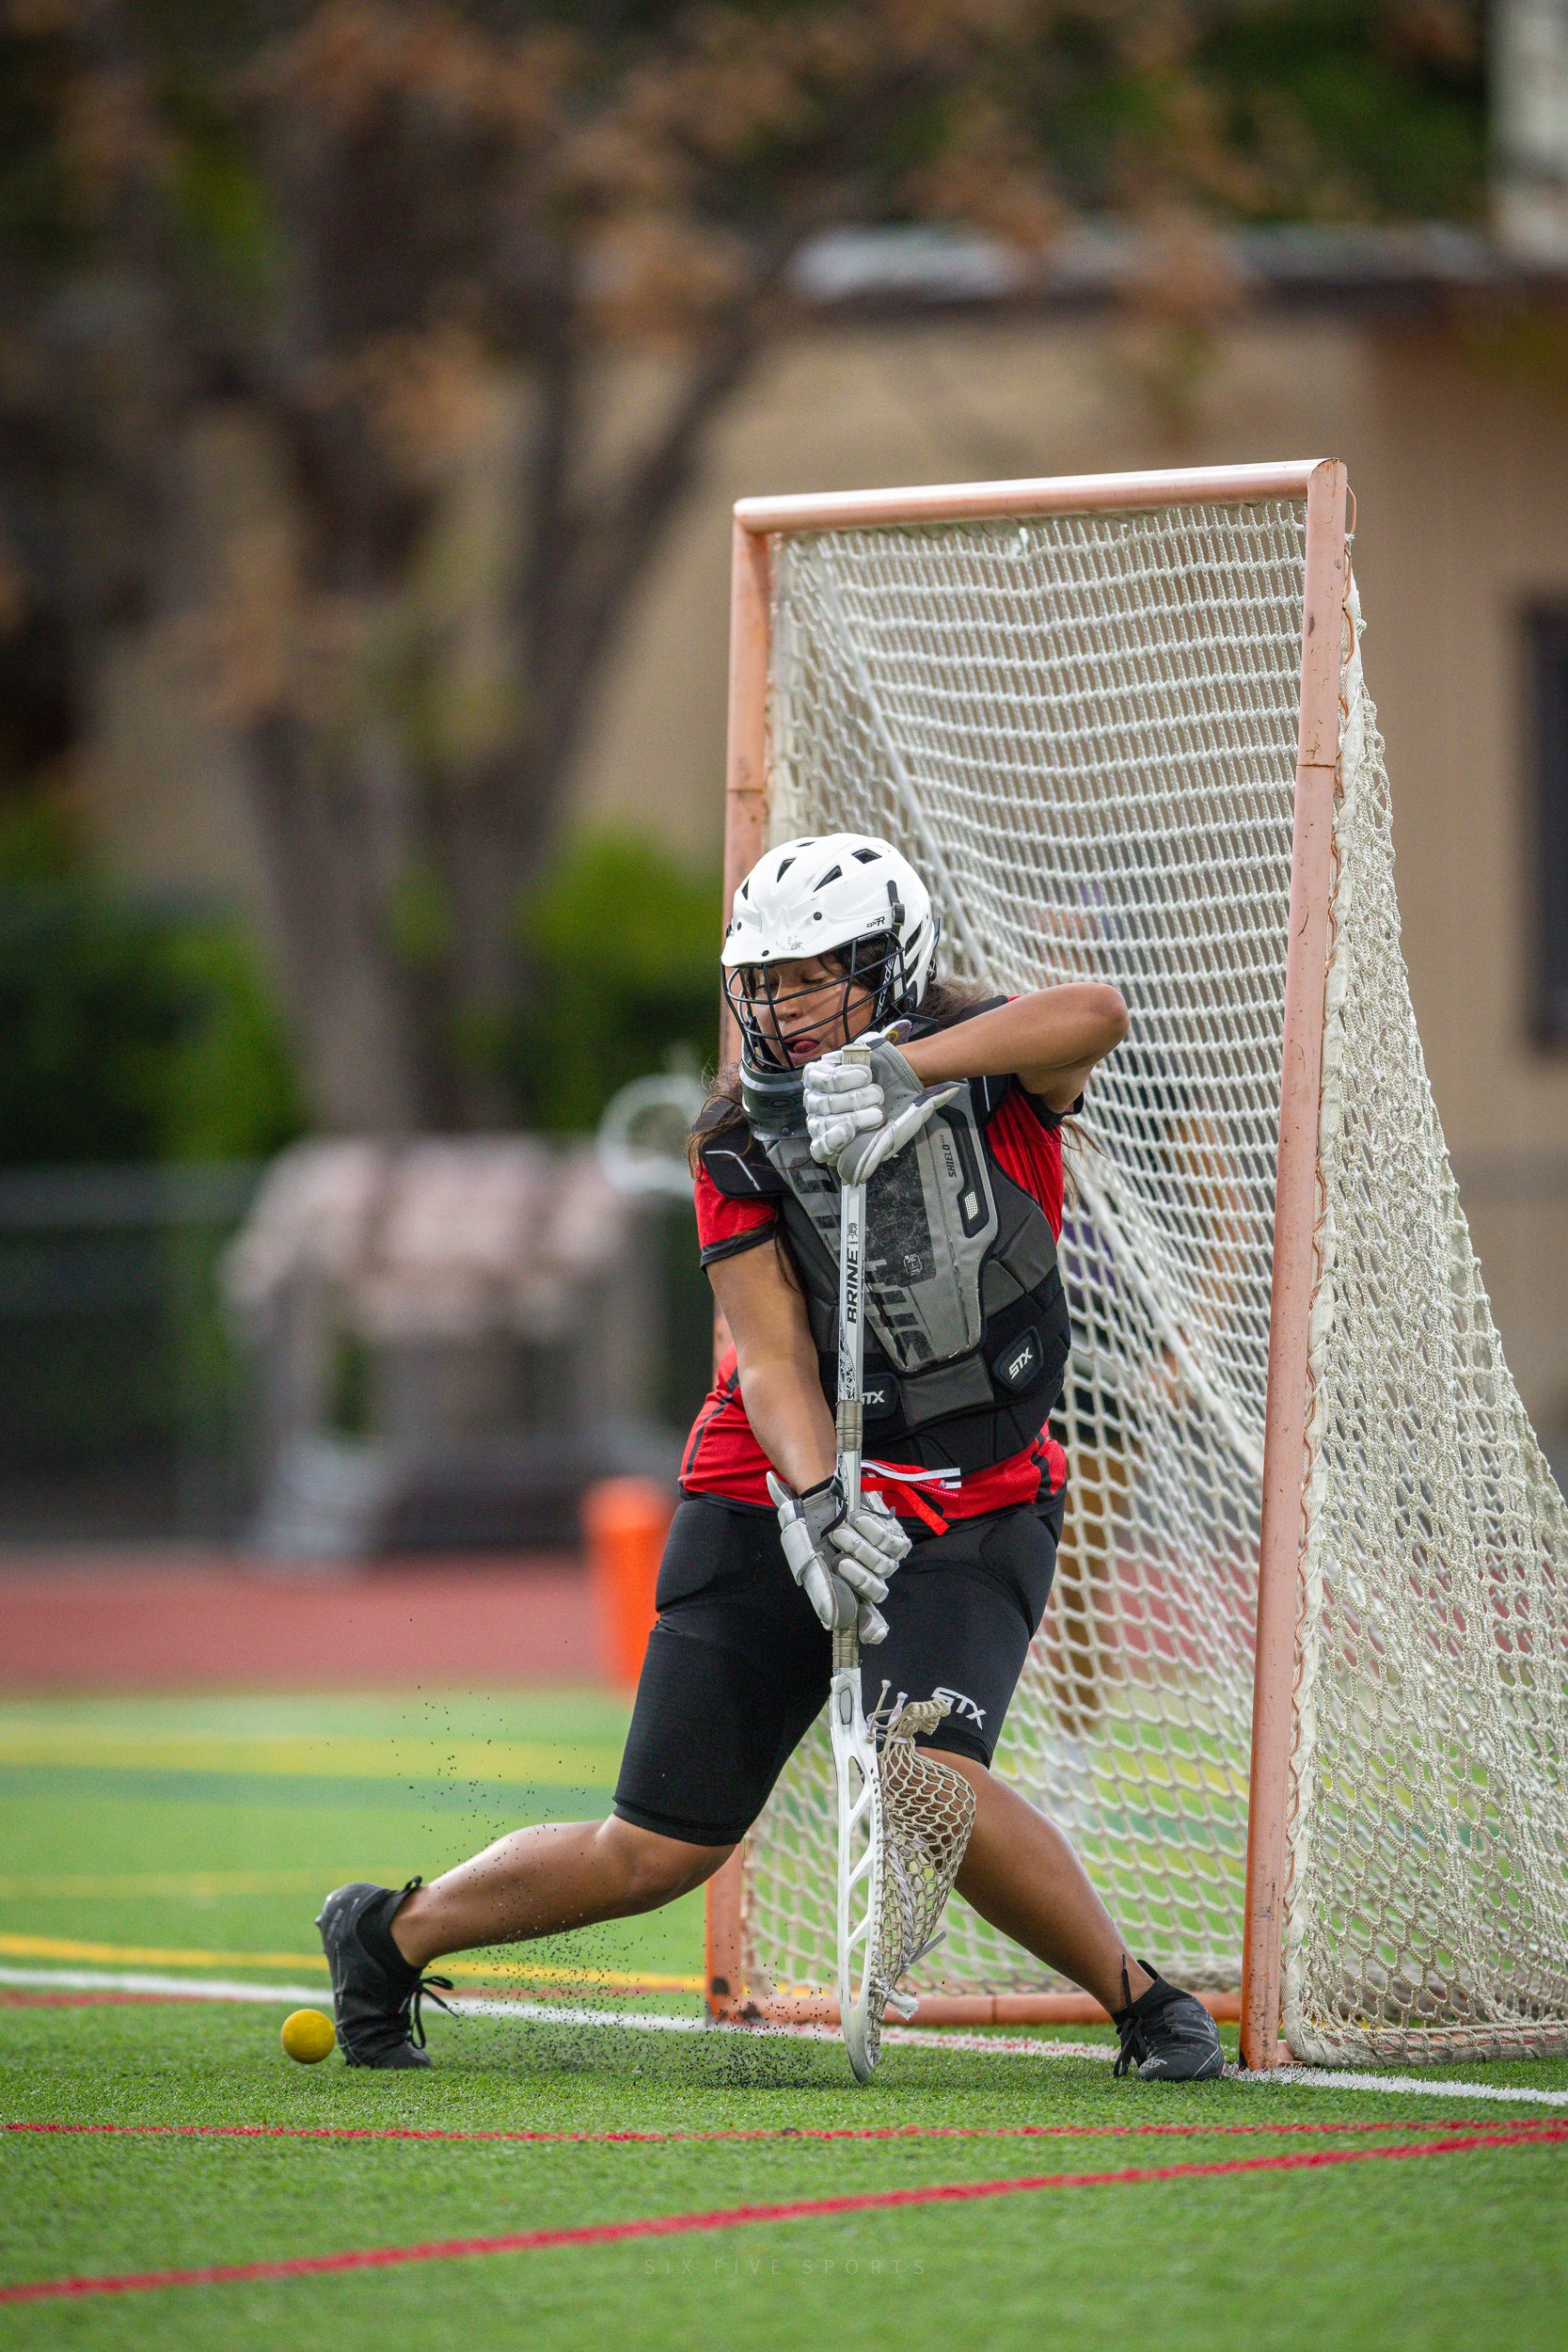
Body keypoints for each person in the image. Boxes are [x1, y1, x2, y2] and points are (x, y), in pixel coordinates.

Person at [314, 832, 1224, 2084]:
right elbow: (773, 1356)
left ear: (889, 967)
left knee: (921, 1776)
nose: (782, 1006)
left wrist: (905, 1068)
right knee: (658, 1850)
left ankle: (1145, 2005)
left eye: (811, 976)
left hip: (977, 1498)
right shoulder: (738, 1139)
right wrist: (816, 1497)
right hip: (771, 1489)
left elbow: (1098, 1014)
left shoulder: (996, 1075)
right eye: (765, 981)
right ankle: (387, 1935)